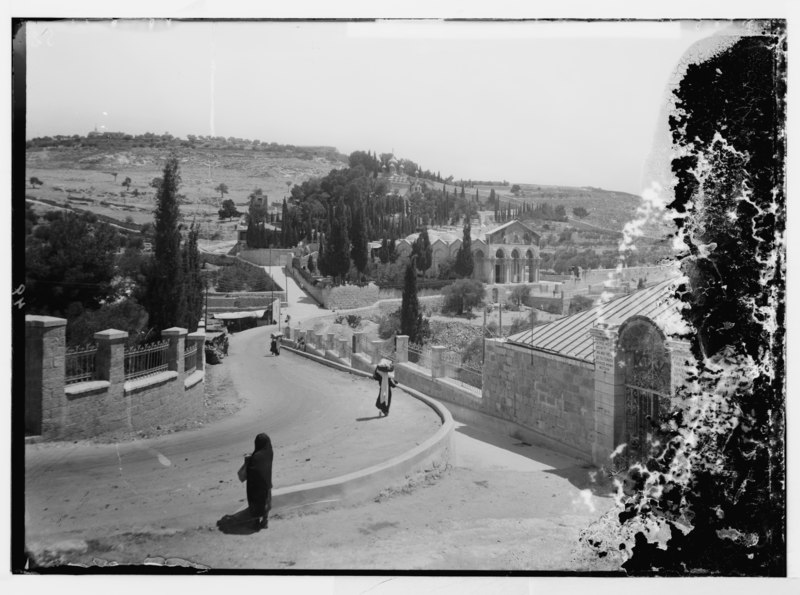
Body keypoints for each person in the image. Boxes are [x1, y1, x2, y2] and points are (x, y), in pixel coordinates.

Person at [246, 433, 273, 530]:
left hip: (256, 486)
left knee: (256, 504)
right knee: (266, 502)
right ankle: (265, 522)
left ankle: (255, 523)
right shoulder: (269, 452)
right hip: (267, 483)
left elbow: (252, 470)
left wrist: (248, 462)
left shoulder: (256, 457)